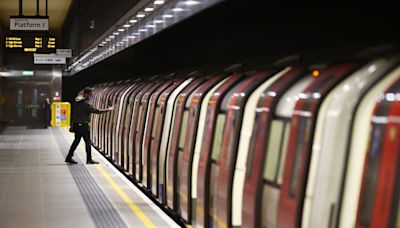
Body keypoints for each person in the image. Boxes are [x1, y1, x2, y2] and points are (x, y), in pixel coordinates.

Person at [65, 87, 115, 165]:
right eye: (90, 94)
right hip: (84, 126)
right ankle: (89, 159)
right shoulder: (86, 104)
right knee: (87, 142)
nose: (91, 95)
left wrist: (72, 124)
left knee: (76, 141)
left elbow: (74, 113)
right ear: (86, 94)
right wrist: (109, 109)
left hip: (77, 125)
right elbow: (97, 111)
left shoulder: (77, 101)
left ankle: (69, 157)